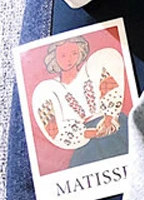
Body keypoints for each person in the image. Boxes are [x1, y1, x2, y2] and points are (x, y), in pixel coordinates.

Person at [31, 35, 128, 167]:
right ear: (54, 57)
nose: (69, 59)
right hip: (86, 141)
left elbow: (111, 89)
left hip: (114, 126)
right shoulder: (48, 89)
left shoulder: (93, 67)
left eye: (74, 53)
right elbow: (55, 130)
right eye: (63, 55)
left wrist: (108, 119)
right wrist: (92, 133)